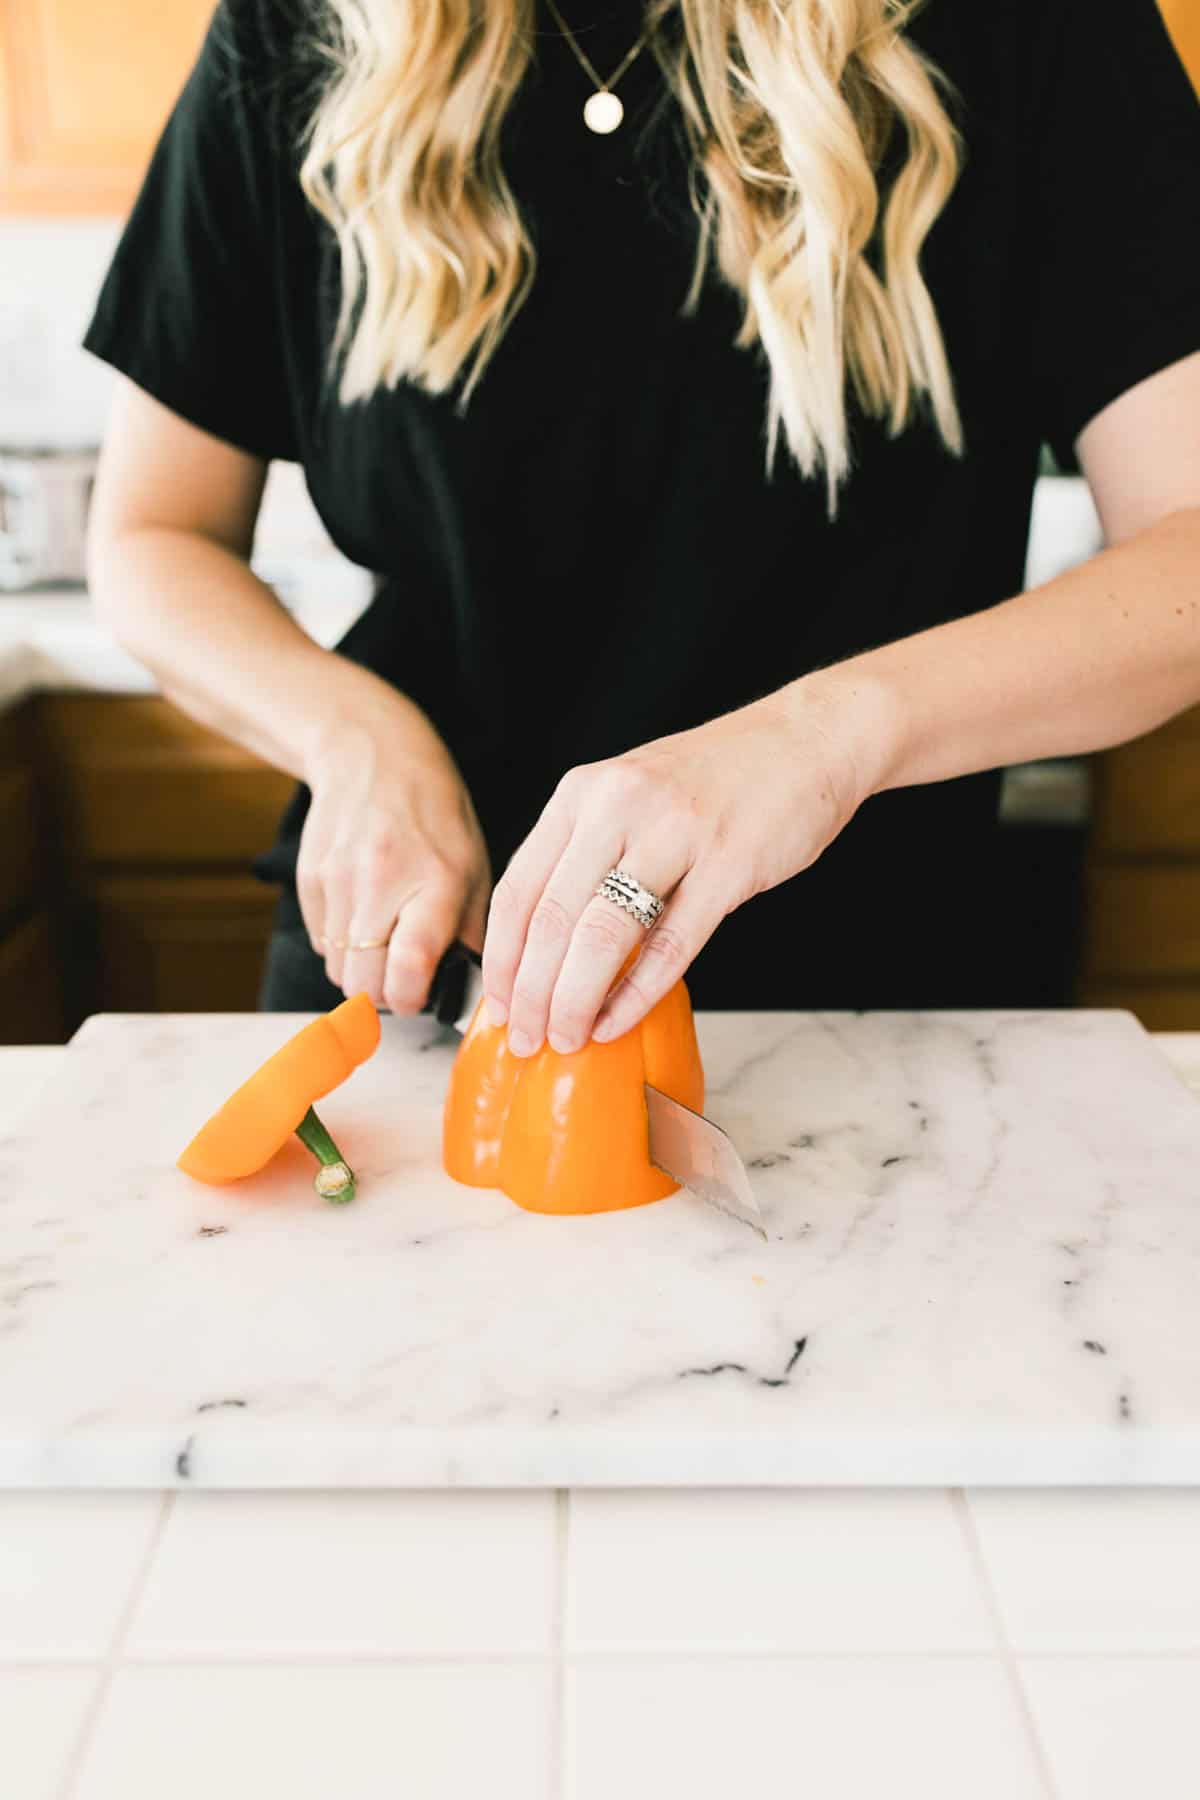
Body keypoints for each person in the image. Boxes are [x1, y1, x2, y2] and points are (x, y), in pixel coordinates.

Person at [84, 0, 1200, 1058]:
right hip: (421, 979)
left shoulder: (1028, 23)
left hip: (871, 1001)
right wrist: (354, 740)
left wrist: (822, 741)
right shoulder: (310, 25)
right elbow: (151, 536)